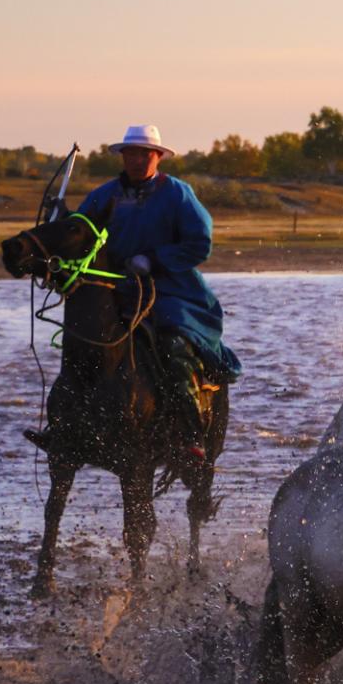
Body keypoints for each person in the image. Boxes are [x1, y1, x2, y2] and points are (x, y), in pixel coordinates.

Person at [65, 125, 238, 459]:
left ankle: (191, 433)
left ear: (157, 157)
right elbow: (80, 230)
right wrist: (60, 223)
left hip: (171, 292)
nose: (138, 160)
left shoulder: (177, 194)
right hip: (113, 287)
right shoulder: (104, 195)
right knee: (81, 342)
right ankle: (68, 429)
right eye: (132, 153)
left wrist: (155, 260)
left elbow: (200, 243)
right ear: (123, 156)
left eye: (145, 154)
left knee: (174, 346)